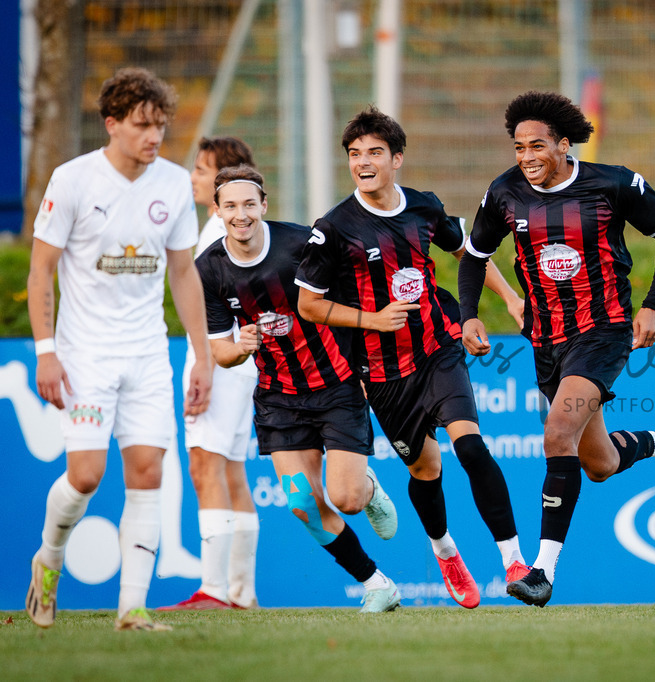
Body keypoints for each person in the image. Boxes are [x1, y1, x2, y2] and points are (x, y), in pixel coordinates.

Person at [458, 91, 655, 607]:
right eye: (519, 147)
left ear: (564, 145)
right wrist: (470, 314)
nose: (526, 157)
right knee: (598, 461)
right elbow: (475, 254)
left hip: (604, 331)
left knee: (558, 431)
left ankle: (542, 572)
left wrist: (654, 305)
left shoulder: (613, 182)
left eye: (537, 146)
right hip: (546, 339)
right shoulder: (504, 192)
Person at [295, 106, 529, 609]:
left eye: (374, 152)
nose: (363, 162)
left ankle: (514, 560)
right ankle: (444, 549)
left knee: (469, 447)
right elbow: (308, 304)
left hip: (437, 348)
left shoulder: (424, 207)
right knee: (425, 470)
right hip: (380, 372)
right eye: (355, 154)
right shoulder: (333, 228)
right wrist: (371, 320)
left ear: (397, 158)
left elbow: (469, 252)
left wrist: (508, 299)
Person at [25, 67, 212, 631]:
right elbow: (41, 271)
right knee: (84, 477)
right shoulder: (73, 179)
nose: (153, 136)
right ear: (111, 124)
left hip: (149, 354)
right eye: (140, 125)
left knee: (148, 473)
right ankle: (49, 560)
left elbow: (183, 273)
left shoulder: (174, 184)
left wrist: (201, 355)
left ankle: (132, 609)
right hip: (85, 354)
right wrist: (45, 351)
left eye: (159, 125)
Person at [196, 164, 402, 613]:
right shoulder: (208, 269)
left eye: (249, 204)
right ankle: (376, 583)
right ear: (217, 211)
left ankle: (365, 488)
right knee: (302, 503)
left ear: (264, 206)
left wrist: (366, 371)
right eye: (230, 206)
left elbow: (352, 304)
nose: (241, 215)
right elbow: (220, 351)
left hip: (337, 384)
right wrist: (241, 347)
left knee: (345, 499)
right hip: (277, 396)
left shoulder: (299, 246)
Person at [159, 137, 260, 612]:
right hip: (240, 362)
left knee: (205, 466)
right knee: (232, 472)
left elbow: (207, 310)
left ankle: (215, 590)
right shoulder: (224, 231)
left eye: (203, 170)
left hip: (219, 361)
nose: (193, 177)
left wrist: (203, 363)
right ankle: (240, 592)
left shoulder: (216, 234)